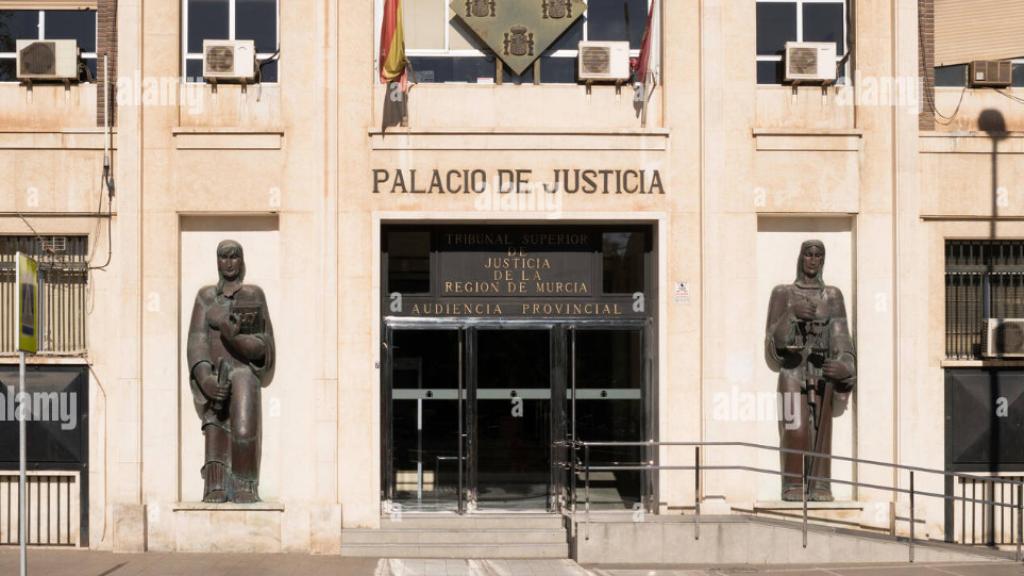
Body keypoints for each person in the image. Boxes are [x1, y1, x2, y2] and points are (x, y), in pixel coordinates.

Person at [765, 240, 855, 502]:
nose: (813, 260)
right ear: (800, 258)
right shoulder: (783, 293)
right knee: (796, 428)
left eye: (818, 255)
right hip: (793, 371)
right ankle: (792, 484)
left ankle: (820, 486)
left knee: (821, 430)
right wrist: (792, 314)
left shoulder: (833, 295)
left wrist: (844, 367)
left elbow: (842, 339)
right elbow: (773, 342)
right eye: (808, 254)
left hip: (821, 371)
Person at [187, 240, 275, 503]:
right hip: (216, 372)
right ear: (217, 261)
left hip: (244, 370)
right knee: (216, 420)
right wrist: (205, 378)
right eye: (223, 257)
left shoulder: (253, 295)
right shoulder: (205, 298)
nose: (228, 263)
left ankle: (244, 484)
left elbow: (264, 344)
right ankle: (216, 483)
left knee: (245, 425)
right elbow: (196, 343)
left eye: (234, 257)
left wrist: (234, 338)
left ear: (241, 260)